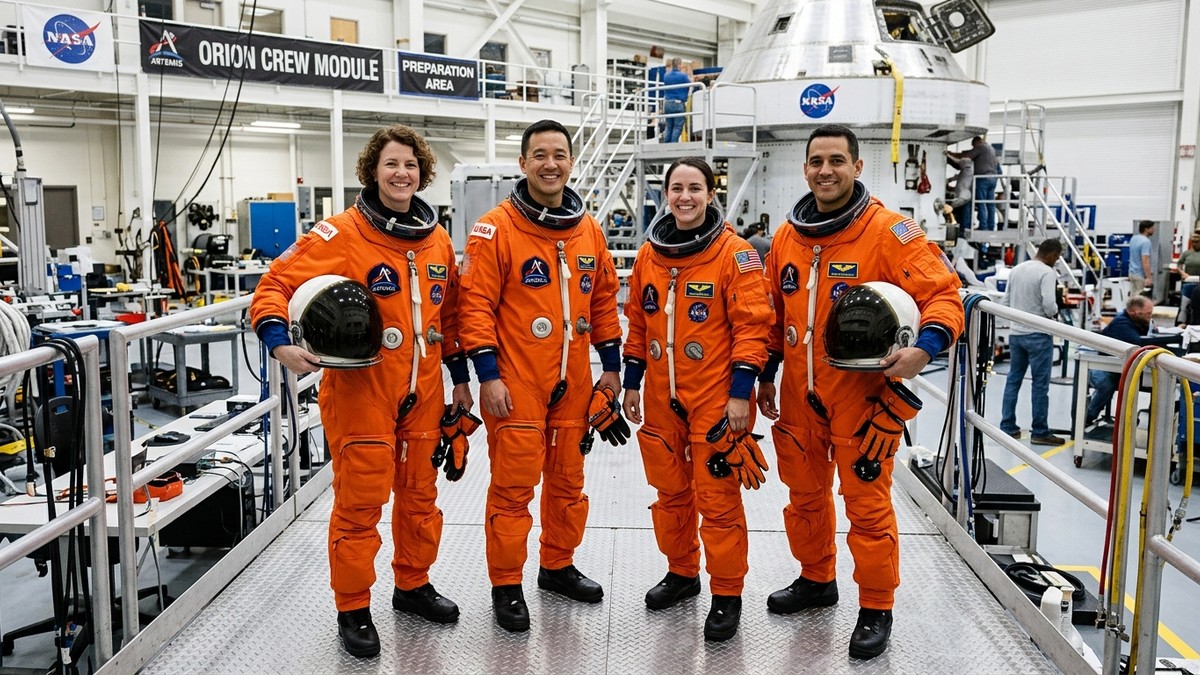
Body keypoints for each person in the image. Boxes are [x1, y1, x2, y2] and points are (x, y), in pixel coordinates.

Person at [249, 125, 474, 658]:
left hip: (422, 390)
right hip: (361, 390)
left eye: (412, 166)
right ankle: (353, 607)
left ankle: (412, 586)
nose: (402, 174)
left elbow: (453, 316)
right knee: (361, 502)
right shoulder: (342, 233)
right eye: (392, 164)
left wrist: (460, 381)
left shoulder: (437, 239)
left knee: (420, 498)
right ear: (373, 170)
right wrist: (279, 343)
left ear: (423, 174)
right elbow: (273, 286)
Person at [756, 124, 963, 660]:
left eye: (836, 161)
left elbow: (943, 295)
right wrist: (765, 374)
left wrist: (927, 347)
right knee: (804, 498)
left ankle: (875, 605)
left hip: (862, 396)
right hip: (800, 395)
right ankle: (816, 579)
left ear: (857, 167)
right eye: (816, 161)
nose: (826, 171)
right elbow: (774, 317)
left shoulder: (891, 234)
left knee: (866, 507)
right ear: (805, 169)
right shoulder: (787, 238)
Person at [457, 119, 624, 632]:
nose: (550, 164)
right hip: (514, 383)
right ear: (523, 163)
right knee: (513, 487)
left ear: (571, 162)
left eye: (559, 154)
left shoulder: (588, 229)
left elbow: (603, 302)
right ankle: (506, 585)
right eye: (540, 155)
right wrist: (488, 375)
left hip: (572, 382)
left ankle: (557, 566)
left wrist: (612, 370)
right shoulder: (496, 229)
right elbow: (475, 307)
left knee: (568, 483)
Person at [620, 157, 773, 641]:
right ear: (666, 194)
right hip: (663, 398)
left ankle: (727, 594)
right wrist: (630, 383)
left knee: (719, 501)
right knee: (670, 495)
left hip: (716, 399)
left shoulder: (735, 254)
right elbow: (639, 326)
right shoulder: (649, 255)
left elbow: (753, 329)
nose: (684, 197)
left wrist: (740, 396)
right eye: (676, 189)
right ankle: (683, 573)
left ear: (711, 194)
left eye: (695, 188)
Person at [999, 239, 1065, 445]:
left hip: (1016, 334)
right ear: (1052, 254)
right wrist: (1054, 314)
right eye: (1057, 257)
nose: (1057, 260)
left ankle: (1007, 427)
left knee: (1013, 380)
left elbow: (1005, 302)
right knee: (1039, 384)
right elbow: (1049, 304)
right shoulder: (1047, 272)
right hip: (1038, 335)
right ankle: (1040, 432)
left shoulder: (1017, 269)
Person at [1088, 295, 1179, 426]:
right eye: (1147, 314)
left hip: (1124, 367)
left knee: (1158, 383)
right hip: (1105, 366)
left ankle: (1153, 424)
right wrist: (1172, 340)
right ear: (1133, 312)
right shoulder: (1121, 323)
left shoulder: (1140, 322)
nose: (1150, 317)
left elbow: (1151, 335)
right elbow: (1138, 343)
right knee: (1106, 385)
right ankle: (1089, 416)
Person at [951, 136, 998, 230]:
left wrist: (951, 154)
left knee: (981, 203)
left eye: (973, 145)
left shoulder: (980, 147)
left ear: (976, 142)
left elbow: (967, 156)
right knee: (990, 204)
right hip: (993, 178)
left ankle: (983, 226)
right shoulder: (991, 149)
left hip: (983, 179)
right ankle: (991, 226)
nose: (973, 147)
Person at [660, 58, 692, 143]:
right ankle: (673, 145)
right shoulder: (683, 76)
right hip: (678, 103)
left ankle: (667, 146)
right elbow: (691, 85)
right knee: (677, 127)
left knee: (669, 126)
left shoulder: (666, 75)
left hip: (668, 103)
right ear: (679, 65)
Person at [944, 151, 973, 230]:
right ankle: (964, 228)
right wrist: (949, 181)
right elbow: (957, 178)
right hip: (966, 195)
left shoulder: (967, 164)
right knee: (965, 214)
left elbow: (956, 161)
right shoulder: (967, 171)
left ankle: (961, 228)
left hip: (962, 195)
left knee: (952, 207)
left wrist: (947, 155)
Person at [1129, 220, 1156, 296]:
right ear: (1146, 229)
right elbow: (1145, 261)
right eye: (1152, 228)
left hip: (1132, 273)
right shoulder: (1146, 242)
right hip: (1140, 275)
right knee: (1139, 299)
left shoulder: (1133, 239)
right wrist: (1148, 277)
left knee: (1133, 297)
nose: (1153, 230)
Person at [1176, 233, 1200, 300]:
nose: (1195, 244)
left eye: (1197, 242)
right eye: (1193, 242)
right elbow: (1179, 265)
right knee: (1185, 302)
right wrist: (1182, 273)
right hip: (1188, 281)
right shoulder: (1187, 253)